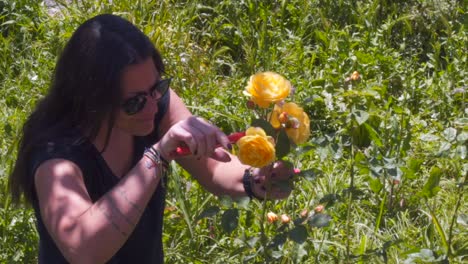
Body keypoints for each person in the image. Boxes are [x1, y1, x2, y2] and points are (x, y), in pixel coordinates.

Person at [8, 14, 293, 263]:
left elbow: (214, 168)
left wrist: (255, 179)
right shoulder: (55, 156)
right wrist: (156, 155)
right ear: (94, 101)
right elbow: (84, 250)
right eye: (134, 102)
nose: (153, 107)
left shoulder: (154, 105)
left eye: (157, 87)